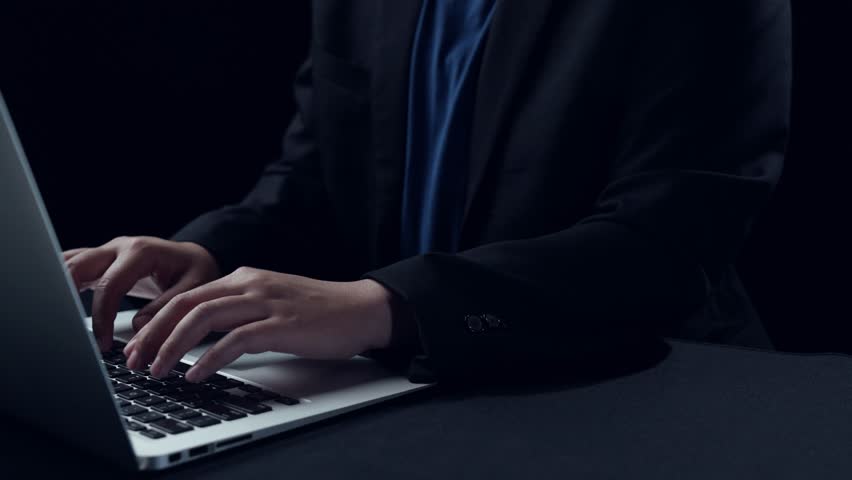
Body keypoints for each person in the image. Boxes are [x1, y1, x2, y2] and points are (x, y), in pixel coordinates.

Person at [63, 0, 792, 384]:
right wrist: (206, 252)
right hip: (400, 388)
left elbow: (662, 248)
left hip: (633, 391)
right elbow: (315, 180)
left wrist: (390, 306)